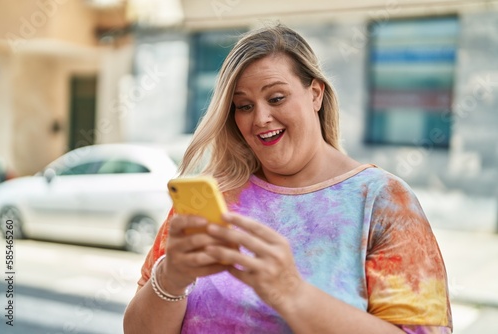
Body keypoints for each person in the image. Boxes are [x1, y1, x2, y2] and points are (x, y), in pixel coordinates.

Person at [123, 24, 452, 333]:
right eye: (243, 105)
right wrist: (169, 280)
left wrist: (291, 293)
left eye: (276, 98)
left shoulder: (382, 201)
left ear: (315, 94)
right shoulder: (212, 198)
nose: (261, 118)